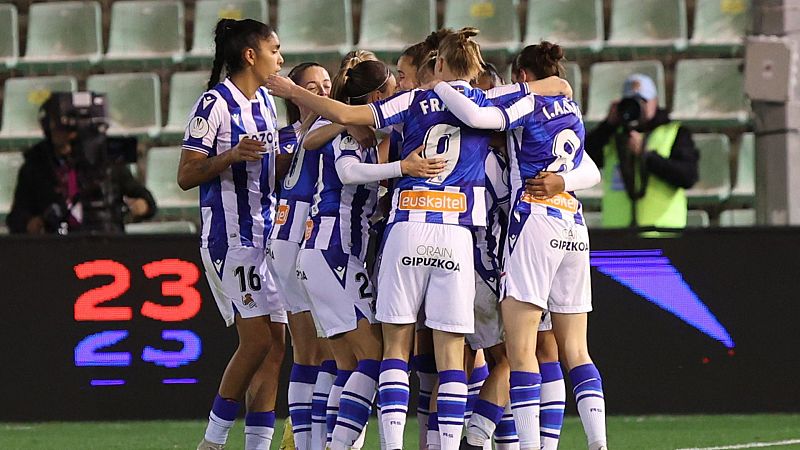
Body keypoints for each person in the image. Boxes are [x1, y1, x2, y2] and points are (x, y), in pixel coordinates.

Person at [266, 28, 571, 450]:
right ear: (476, 68)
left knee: (394, 347)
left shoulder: (411, 101)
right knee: (452, 358)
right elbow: (545, 91)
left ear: (438, 65)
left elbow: (348, 115)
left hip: (406, 229)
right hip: (457, 237)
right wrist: (555, 83)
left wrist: (289, 90)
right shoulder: (485, 102)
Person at [430, 41, 607, 450]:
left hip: (533, 223)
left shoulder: (525, 100)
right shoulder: (572, 109)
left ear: (523, 77)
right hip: (574, 224)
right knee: (575, 349)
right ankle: (598, 442)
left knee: (521, 351)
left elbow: (478, 109)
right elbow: (589, 167)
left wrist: (441, 85)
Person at [297, 57, 446, 450]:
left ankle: (330, 442)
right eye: (392, 87)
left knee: (349, 364)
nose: (398, 90)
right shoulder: (348, 133)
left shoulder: (361, 130)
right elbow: (347, 173)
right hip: (333, 251)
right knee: (376, 358)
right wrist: (403, 167)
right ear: (379, 96)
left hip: (329, 252)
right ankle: (338, 445)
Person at [176, 18, 287, 450]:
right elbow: (187, 174)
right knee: (256, 339)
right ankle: (213, 440)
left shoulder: (265, 102)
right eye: (274, 50)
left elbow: (268, 171)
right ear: (250, 55)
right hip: (231, 239)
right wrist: (231, 155)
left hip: (266, 238)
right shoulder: (213, 104)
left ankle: (256, 445)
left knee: (275, 348)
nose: (280, 58)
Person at [267, 61, 333, 450]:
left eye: (327, 84)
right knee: (326, 350)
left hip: (288, 243)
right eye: (312, 85)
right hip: (298, 242)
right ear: (295, 94)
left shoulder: (302, 133)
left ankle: (299, 439)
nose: (323, 91)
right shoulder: (312, 134)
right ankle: (314, 439)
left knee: (308, 351)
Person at [7, 95, 156, 234]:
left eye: (72, 128)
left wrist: (138, 207)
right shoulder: (35, 164)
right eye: (60, 127)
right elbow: (16, 218)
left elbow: (147, 201)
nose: (67, 134)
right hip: (55, 247)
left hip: (106, 241)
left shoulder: (106, 160)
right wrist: (33, 223)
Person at [585, 73, 699, 229]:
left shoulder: (675, 133)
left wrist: (646, 156)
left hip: (662, 234)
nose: (637, 107)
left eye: (643, 101)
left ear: (655, 102)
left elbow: (688, 176)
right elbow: (582, 160)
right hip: (617, 236)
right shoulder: (613, 136)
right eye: (630, 102)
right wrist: (607, 125)